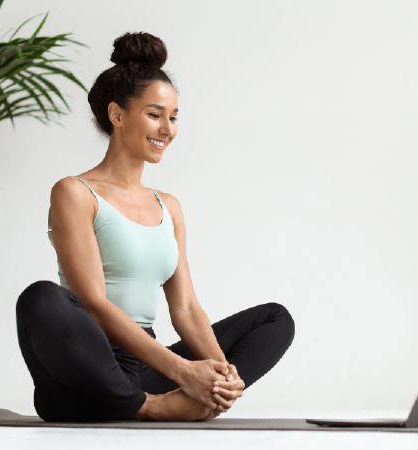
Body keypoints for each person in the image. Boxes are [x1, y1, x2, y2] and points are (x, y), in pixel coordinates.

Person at [15, 32, 295, 422]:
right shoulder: (74, 193)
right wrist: (182, 371)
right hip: (86, 372)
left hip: (146, 365)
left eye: (174, 117)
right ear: (117, 115)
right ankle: (151, 407)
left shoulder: (169, 206)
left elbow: (185, 308)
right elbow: (94, 306)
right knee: (41, 299)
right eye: (154, 114)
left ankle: (200, 400)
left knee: (275, 319)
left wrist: (218, 374)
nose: (168, 129)